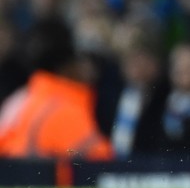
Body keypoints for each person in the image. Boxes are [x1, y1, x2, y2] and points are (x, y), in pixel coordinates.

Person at [0, 18, 114, 160]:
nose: (88, 69)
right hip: (45, 181)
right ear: (66, 67)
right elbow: (103, 164)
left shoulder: (18, 101)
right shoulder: (64, 110)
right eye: (81, 60)